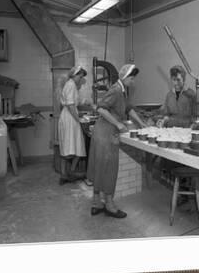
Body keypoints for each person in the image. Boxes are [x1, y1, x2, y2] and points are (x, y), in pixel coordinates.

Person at [86, 64, 147, 218]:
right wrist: (118, 124)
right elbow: (100, 108)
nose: (133, 82)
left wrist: (141, 123)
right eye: (132, 78)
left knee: (100, 167)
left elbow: (129, 108)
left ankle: (96, 202)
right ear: (125, 77)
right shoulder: (116, 90)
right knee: (108, 169)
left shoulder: (123, 91)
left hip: (104, 133)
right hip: (105, 133)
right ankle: (109, 205)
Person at [58, 65, 88, 185]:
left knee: (76, 146)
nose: (81, 79)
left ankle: (69, 173)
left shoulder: (72, 85)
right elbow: (70, 105)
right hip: (69, 118)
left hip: (70, 117)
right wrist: (78, 119)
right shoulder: (70, 85)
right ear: (74, 75)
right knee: (69, 147)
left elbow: (74, 102)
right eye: (80, 77)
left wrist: (85, 102)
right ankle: (64, 174)